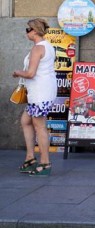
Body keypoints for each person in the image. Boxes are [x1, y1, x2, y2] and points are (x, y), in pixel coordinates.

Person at [14, 19, 57, 176]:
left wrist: (17, 72)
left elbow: (30, 73)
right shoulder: (47, 46)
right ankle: (30, 158)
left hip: (40, 93)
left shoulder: (38, 48)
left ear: (35, 31)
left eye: (28, 29)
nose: (27, 32)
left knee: (39, 127)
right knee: (26, 121)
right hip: (41, 92)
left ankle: (45, 163)